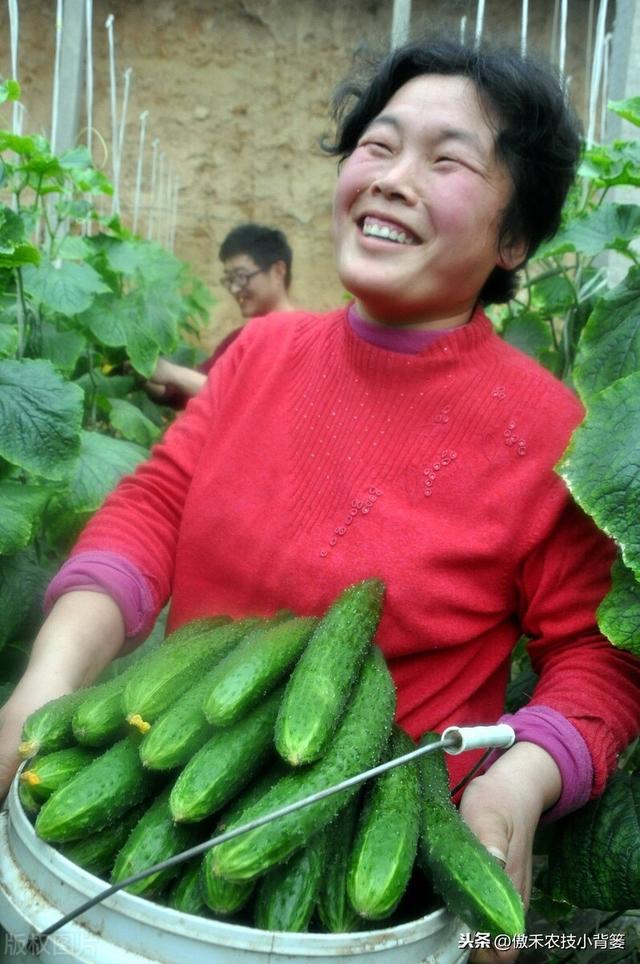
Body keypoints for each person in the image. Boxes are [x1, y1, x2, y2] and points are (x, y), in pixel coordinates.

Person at [2, 38, 639, 963]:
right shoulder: (260, 356)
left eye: (446, 158)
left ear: (514, 240)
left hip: (367, 882)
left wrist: (519, 784)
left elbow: (593, 657)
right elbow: (151, 512)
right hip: (166, 790)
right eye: (378, 147)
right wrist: (47, 681)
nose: (391, 178)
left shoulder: (552, 434)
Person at [145, 223, 295, 402]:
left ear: (278, 271)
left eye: (241, 276)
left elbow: (249, 400)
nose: (234, 288)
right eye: (229, 279)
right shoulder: (237, 339)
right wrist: (143, 370)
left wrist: (172, 373)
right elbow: (184, 393)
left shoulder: (303, 339)